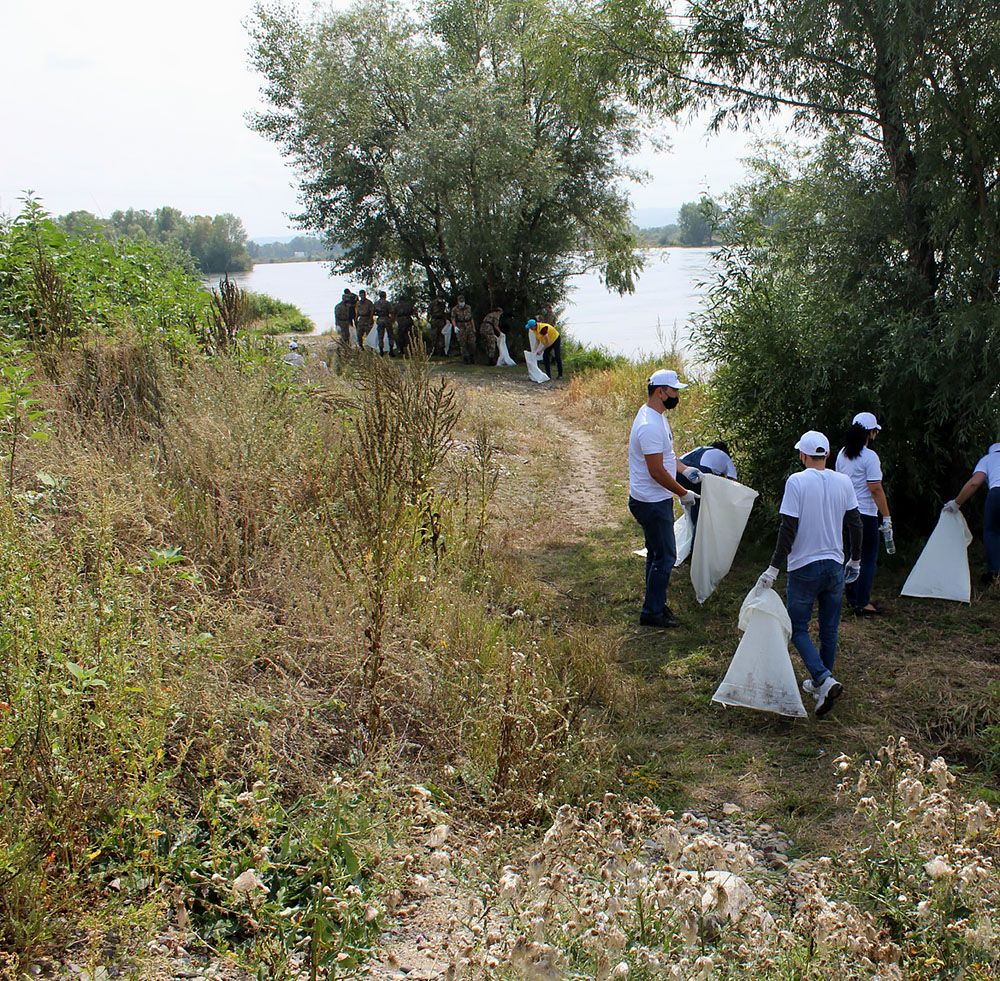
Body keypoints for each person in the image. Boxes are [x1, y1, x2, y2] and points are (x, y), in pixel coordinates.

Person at [757, 430, 863, 718]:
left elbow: (788, 529)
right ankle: (822, 683)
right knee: (829, 628)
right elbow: (855, 523)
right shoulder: (843, 481)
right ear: (827, 454)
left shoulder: (797, 481)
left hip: (804, 567)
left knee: (798, 628)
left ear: (803, 455)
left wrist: (772, 569)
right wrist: (855, 559)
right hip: (834, 565)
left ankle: (823, 678)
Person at [628, 369, 700, 629]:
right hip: (650, 502)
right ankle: (652, 613)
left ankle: (655, 602)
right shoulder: (649, 426)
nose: (677, 395)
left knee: (656, 554)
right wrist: (683, 493)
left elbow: (667, 457)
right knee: (666, 556)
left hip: (654, 499)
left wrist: (684, 470)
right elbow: (656, 470)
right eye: (674, 391)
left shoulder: (656, 417)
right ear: (661, 392)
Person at [836, 412, 892, 616]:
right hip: (866, 514)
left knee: (852, 555)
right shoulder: (870, 457)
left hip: (846, 512)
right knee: (867, 558)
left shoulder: (843, 454)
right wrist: (886, 517)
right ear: (870, 433)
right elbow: (875, 488)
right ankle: (862, 602)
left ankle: (851, 597)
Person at [943, 441, 1000, 585]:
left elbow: (975, 482)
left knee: (992, 532)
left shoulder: (987, 459)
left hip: (997, 494)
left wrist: (956, 503)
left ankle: (996, 574)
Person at [677, 441, 737, 533]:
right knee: (704, 509)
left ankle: (695, 536)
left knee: (695, 503)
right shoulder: (725, 456)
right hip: (699, 471)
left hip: (677, 468)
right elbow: (732, 482)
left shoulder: (701, 449)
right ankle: (702, 538)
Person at [452, 295, 476, 363]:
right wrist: (455, 326)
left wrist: (473, 328)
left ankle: (472, 357)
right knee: (462, 343)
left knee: (472, 343)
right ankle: (465, 358)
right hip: (460, 327)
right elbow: (453, 318)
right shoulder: (455, 309)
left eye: (463, 301)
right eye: (460, 301)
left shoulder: (468, 307)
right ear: (458, 301)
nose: (462, 303)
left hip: (469, 326)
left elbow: (471, 318)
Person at [373, 290, 395, 355]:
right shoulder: (387, 303)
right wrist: (392, 320)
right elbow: (392, 311)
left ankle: (381, 350)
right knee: (390, 335)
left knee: (380, 336)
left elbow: (373, 312)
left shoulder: (376, 303)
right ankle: (391, 350)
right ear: (385, 296)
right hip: (387, 319)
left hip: (380, 319)